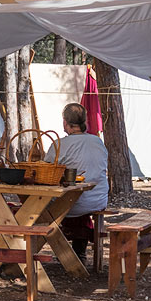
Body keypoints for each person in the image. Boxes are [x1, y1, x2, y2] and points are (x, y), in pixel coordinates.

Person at [44, 103, 109, 263]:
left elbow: (46, 171)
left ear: (65, 122)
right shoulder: (97, 141)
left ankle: (65, 252)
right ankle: (77, 251)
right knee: (73, 201)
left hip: (76, 203)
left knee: (47, 206)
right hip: (99, 199)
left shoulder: (60, 145)